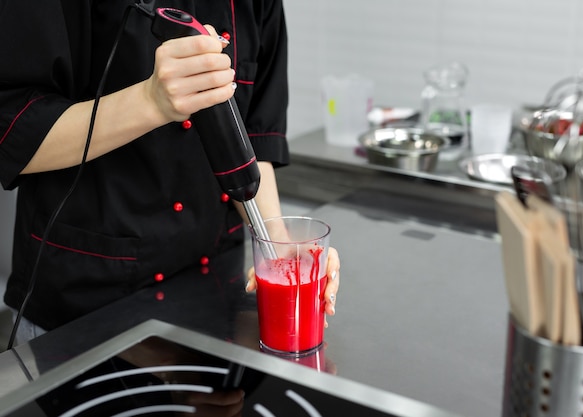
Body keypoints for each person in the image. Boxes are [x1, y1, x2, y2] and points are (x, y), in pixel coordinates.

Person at [0, 0, 340, 346]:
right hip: (84, 310)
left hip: (214, 298)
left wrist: (276, 243)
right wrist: (151, 102)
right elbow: (12, 130)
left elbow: (254, 140)